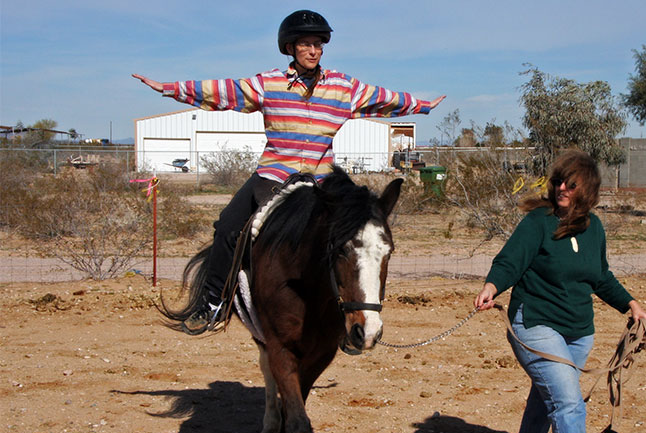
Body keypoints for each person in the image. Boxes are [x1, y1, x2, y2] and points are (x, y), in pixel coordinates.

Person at [133, 9, 445, 334]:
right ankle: (213, 303)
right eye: (306, 44)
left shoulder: (343, 88)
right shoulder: (268, 84)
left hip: (323, 183)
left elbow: (386, 99)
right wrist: (169, 89)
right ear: (290, 48)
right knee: (228, 226)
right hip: (274, 176)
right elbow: (223, 91)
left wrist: (422, 106)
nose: (313, 51)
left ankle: (350, 314)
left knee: (357, 238)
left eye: (318, 45)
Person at [474, 150, 646, 433]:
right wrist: (492, 286)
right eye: (558, 181)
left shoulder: (594, 228)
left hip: (578, 332)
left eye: (571, 183)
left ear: (587, 190)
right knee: (568, 404)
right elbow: (510, 261)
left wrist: (630, 304)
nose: (562, 188)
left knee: (546, 399)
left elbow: (600, 277)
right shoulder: (538, 222)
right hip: (534, 323)